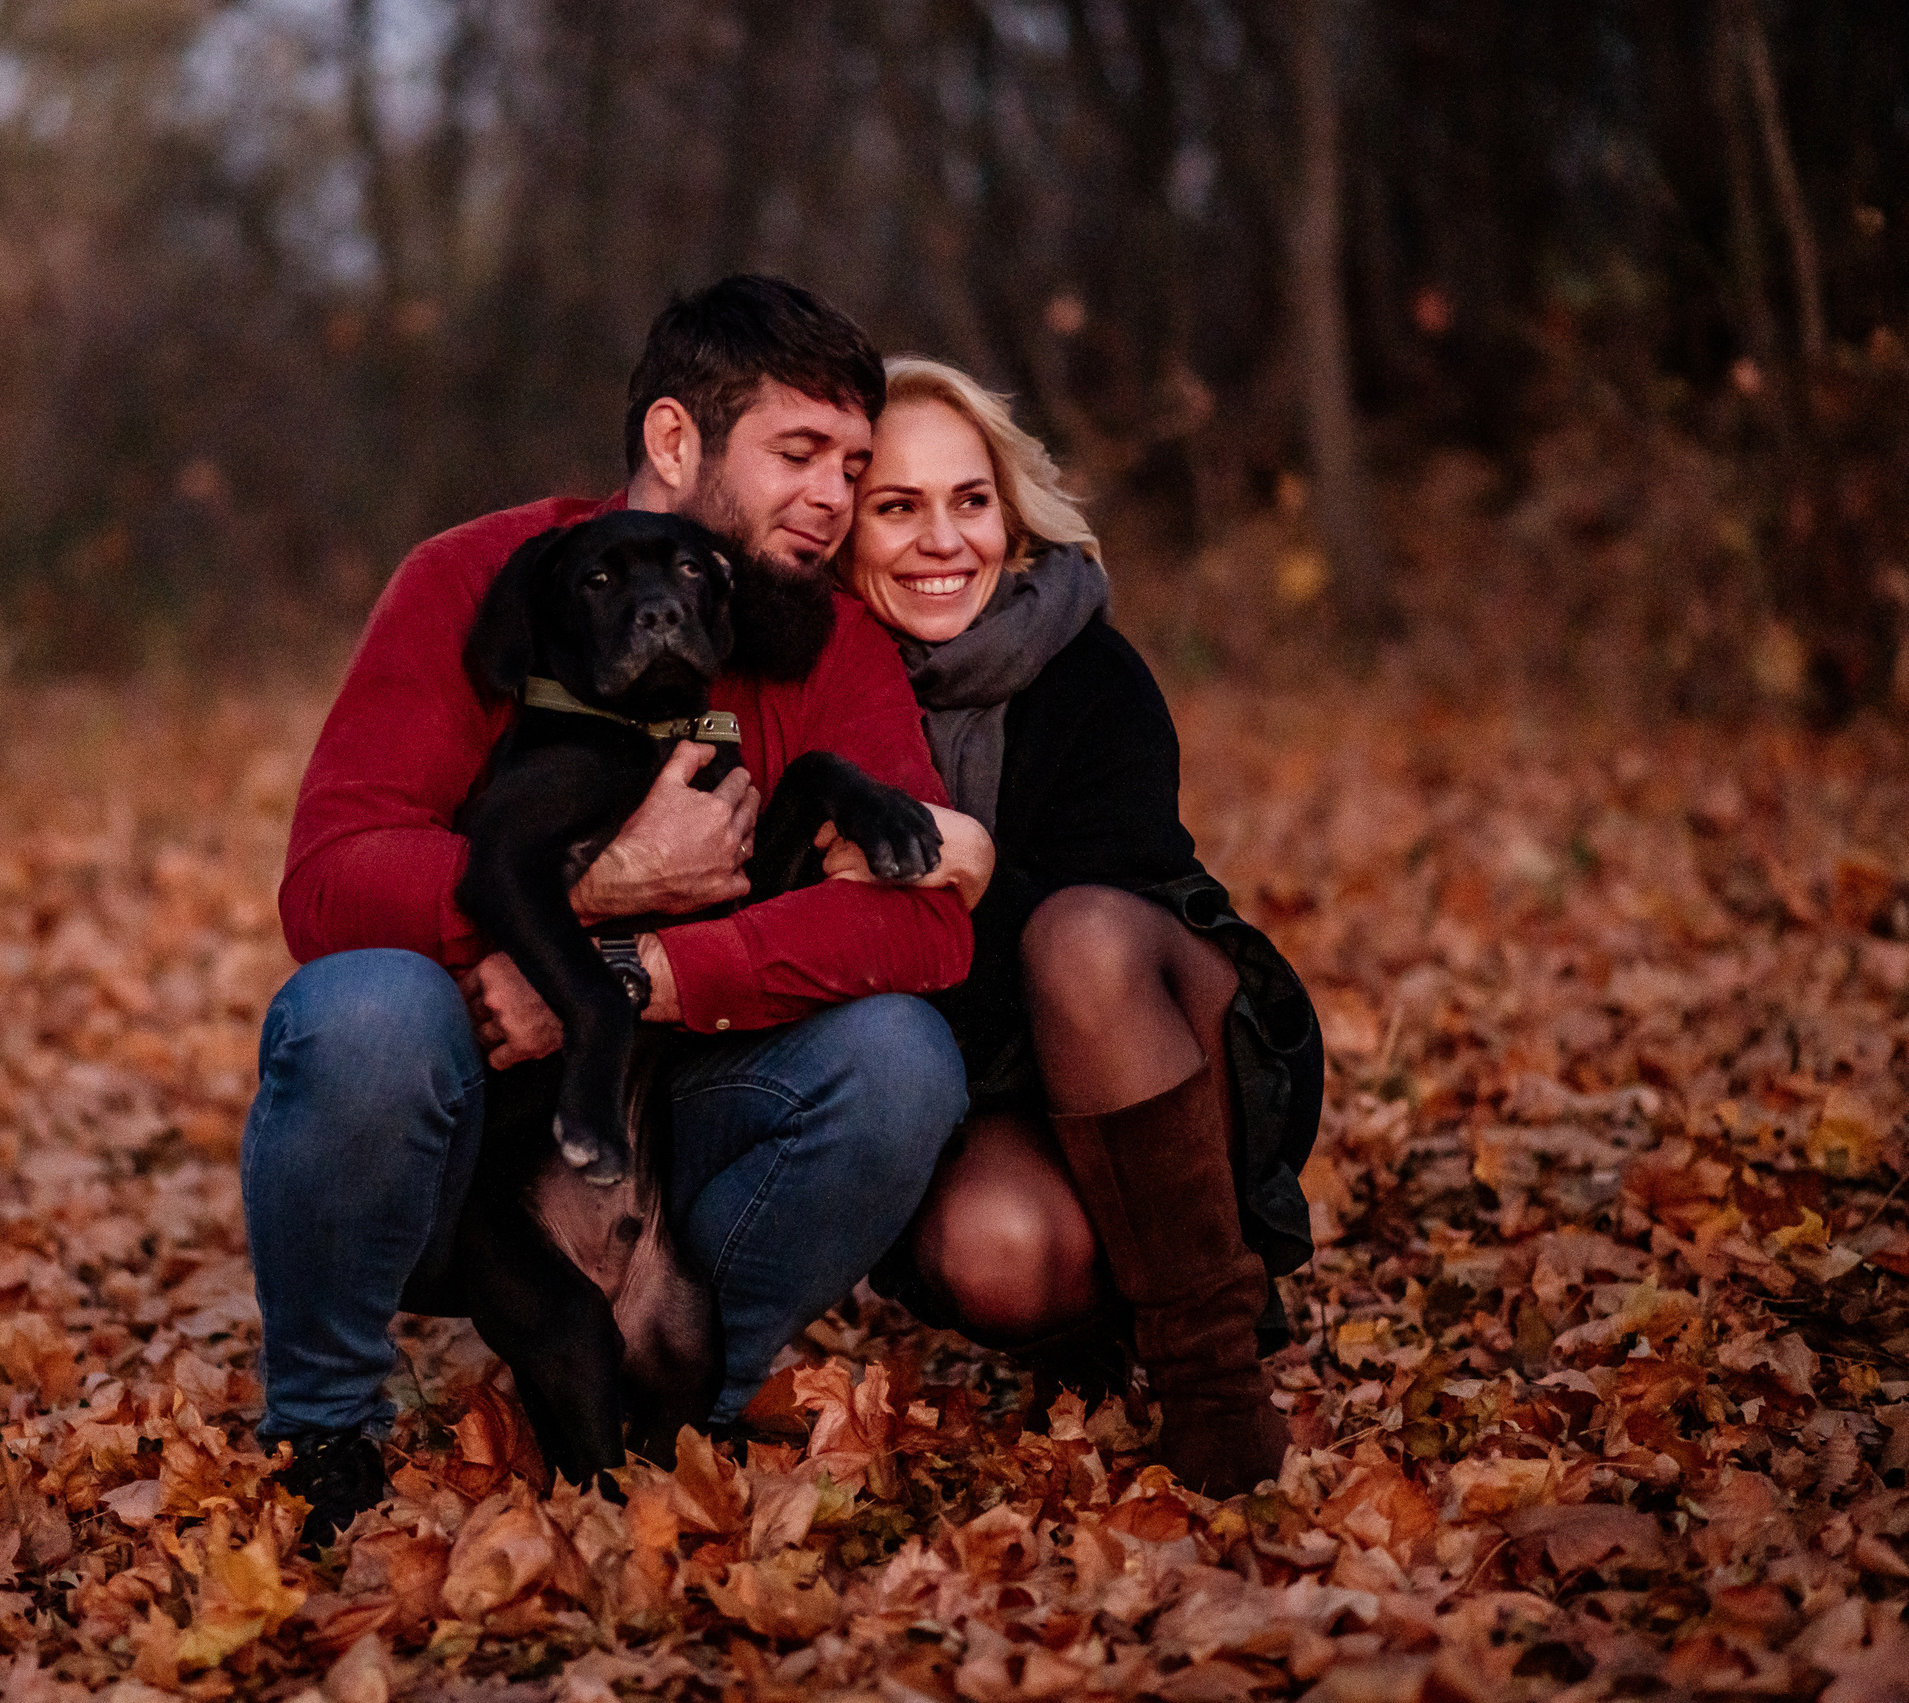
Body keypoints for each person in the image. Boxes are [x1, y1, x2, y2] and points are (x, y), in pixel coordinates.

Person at [246, 278, 995, 1542]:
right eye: (798, 453)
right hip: (468, 1143)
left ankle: (687, 1385)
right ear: (672, 440)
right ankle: (323, 1427)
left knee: (900, 1057)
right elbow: (327, 882)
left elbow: (925, 928)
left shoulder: (833, 647)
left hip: (677, 1114)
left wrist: (634, 968)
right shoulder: (479, 578)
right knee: (359, 1008)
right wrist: (599, 888)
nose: (833, 497)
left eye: (852, 463)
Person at [838, 357, 1324, 1498]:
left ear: (1011, 512)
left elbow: (1104, 912)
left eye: (969, 500)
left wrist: (962, 872)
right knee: (996, 1253)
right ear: (844, 532)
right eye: (895, 507)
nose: (940, 540)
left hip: (1164, 1027)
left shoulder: (1087, 665)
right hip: (991, 1077)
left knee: (1077, 940)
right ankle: (1091, 1324)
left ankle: (1214, 1388)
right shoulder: (821, 705)